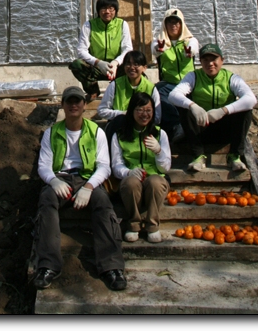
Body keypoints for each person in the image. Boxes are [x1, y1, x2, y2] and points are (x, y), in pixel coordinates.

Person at [33, 86, 127, 292]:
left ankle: (112, 266)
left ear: (84, 105)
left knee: (103, 202)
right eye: (69, 101)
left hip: (87, 179)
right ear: (62, 105)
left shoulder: (96, 132)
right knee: (47, 199)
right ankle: (47, 265)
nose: (73, 105)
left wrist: (89, 187)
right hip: (61, 179)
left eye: (77, 101)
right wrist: (54, 181)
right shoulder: (51, 133)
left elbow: (104, 166)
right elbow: (44, 166)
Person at [168, 43, 257, 172]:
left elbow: (251, 99)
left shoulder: (231, 78)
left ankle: (234, 155)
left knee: (246, 110)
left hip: (225, 130)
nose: (210, 63)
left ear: (222, 60)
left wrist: (224, 110)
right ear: (200, 62)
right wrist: (193, 106)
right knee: (184, 108)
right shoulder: (193, 76)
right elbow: (173, 95)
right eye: (205, 60)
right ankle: (198, 156)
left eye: (214, 59)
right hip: (200, 129)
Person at [111, 92, 171, 243]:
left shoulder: (160, 134)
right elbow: (116, 165)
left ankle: (153, 225)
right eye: (140, 110)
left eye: (148, 110)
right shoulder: (119, 135)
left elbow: (165, 168)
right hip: (132, 180)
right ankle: (134, 224)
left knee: (155, 182)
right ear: (131, 111)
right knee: (130, 183)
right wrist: (128, 172)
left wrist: (159, 152)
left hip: (155, 178)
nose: (144, 114)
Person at [69, 0, 133, 101]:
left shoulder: (122, 24)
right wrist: (98, 63)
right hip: (97, 67)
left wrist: (116, 63)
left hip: (116, 67)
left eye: (111, 8)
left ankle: (120, 91)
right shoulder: (89, 25)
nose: (107, 12)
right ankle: (93, 91)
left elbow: (128, 49)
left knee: (135, 67)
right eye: (103, 8)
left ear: (115, 10)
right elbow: (81, 50)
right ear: (98, 11)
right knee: (76, 65)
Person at [151, 8, 199, 143]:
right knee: (156, 92)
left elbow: (193, 48)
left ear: (182, 24)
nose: (174, 26)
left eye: (177, 22)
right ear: (164, 24)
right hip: (169, 83)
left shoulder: (190, 40)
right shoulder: (159, 42)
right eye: (170, 22)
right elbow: (155, 49)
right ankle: (177, 125)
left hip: (188, 83)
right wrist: (159, 48)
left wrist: (189, 51)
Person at [97, 50, 161, 125]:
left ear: (144, 68)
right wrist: (123, 114)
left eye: (136, 64)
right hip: (120, 125)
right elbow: (102, 110)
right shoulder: (115, 85)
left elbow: (157, 117)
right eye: (128, 64)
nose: (132, 67)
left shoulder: (151, 88)